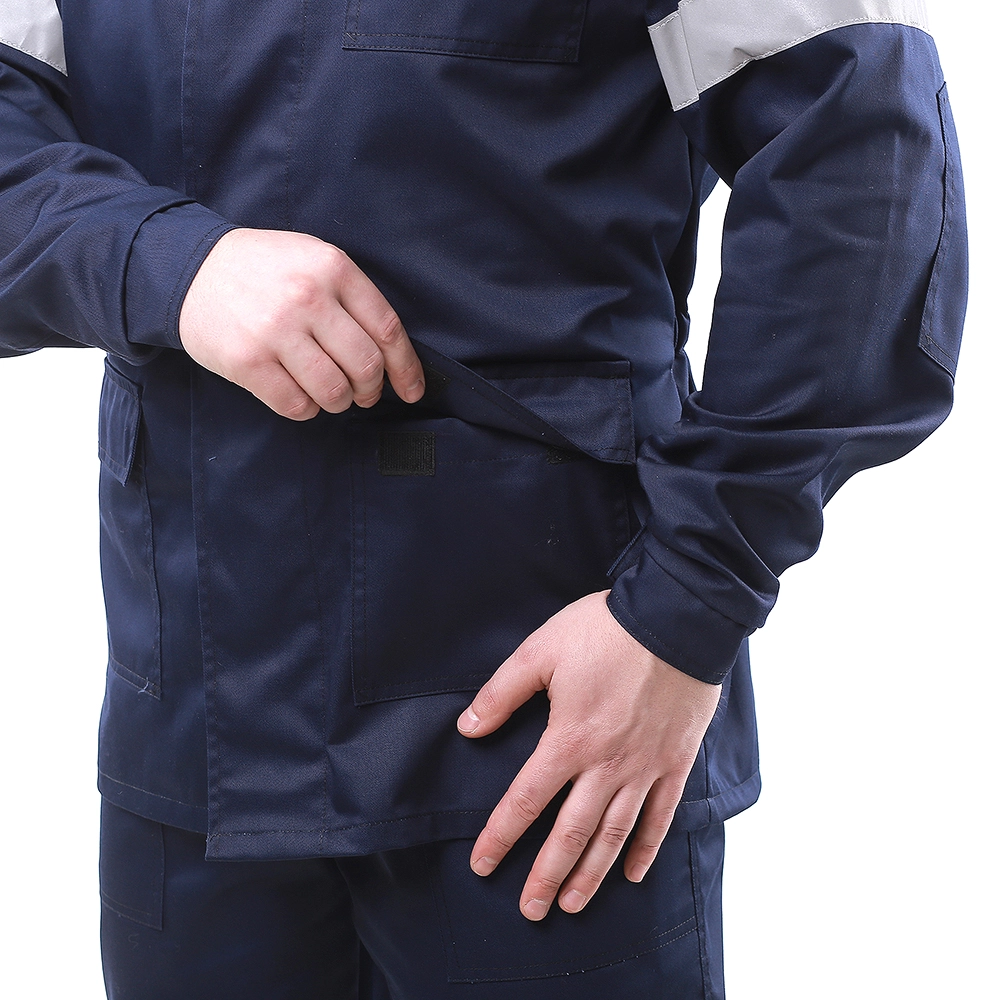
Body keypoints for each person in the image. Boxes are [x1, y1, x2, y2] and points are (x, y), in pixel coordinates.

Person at [0, 1, 966, 998]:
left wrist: (689, 604)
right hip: (195, 728)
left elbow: (864, 158)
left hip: (553, 722)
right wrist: (167, 262)